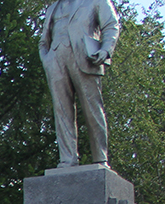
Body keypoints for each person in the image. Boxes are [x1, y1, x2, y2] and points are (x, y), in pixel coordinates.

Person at [39, 0, 120, 168]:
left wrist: (105, 50)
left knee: (93, 109)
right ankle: (67, 159)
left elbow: (111, 25)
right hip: (55, 60)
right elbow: (43, 40)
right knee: (62, 111)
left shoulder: (96, 1)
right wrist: (46, 59)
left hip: (85, 58)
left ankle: (100, 158)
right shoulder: (53, 8)